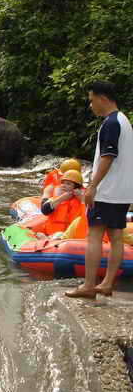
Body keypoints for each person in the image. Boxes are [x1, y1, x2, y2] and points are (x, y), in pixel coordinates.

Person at [66, 81, 133, 299]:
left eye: (91, 100)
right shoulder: (124, 121)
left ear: (102, 98)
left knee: (93, 236)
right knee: (115, 238)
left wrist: (92, 186)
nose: (90, 105)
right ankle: (106, 284)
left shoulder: (111, 123)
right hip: (122, 191)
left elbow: (108, 156)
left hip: (107, 191)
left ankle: (88, 286)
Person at [35, 170, 87, 238]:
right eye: (63, 183)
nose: (63, 186)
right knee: (39, 234)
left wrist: (82, 198)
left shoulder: (82, 201)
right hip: (51, 235)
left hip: (69, 238)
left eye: (68, 184)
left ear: (76, 187)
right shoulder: (56, 198)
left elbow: (87, 216)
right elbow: (45, 211)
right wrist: (61, 198)